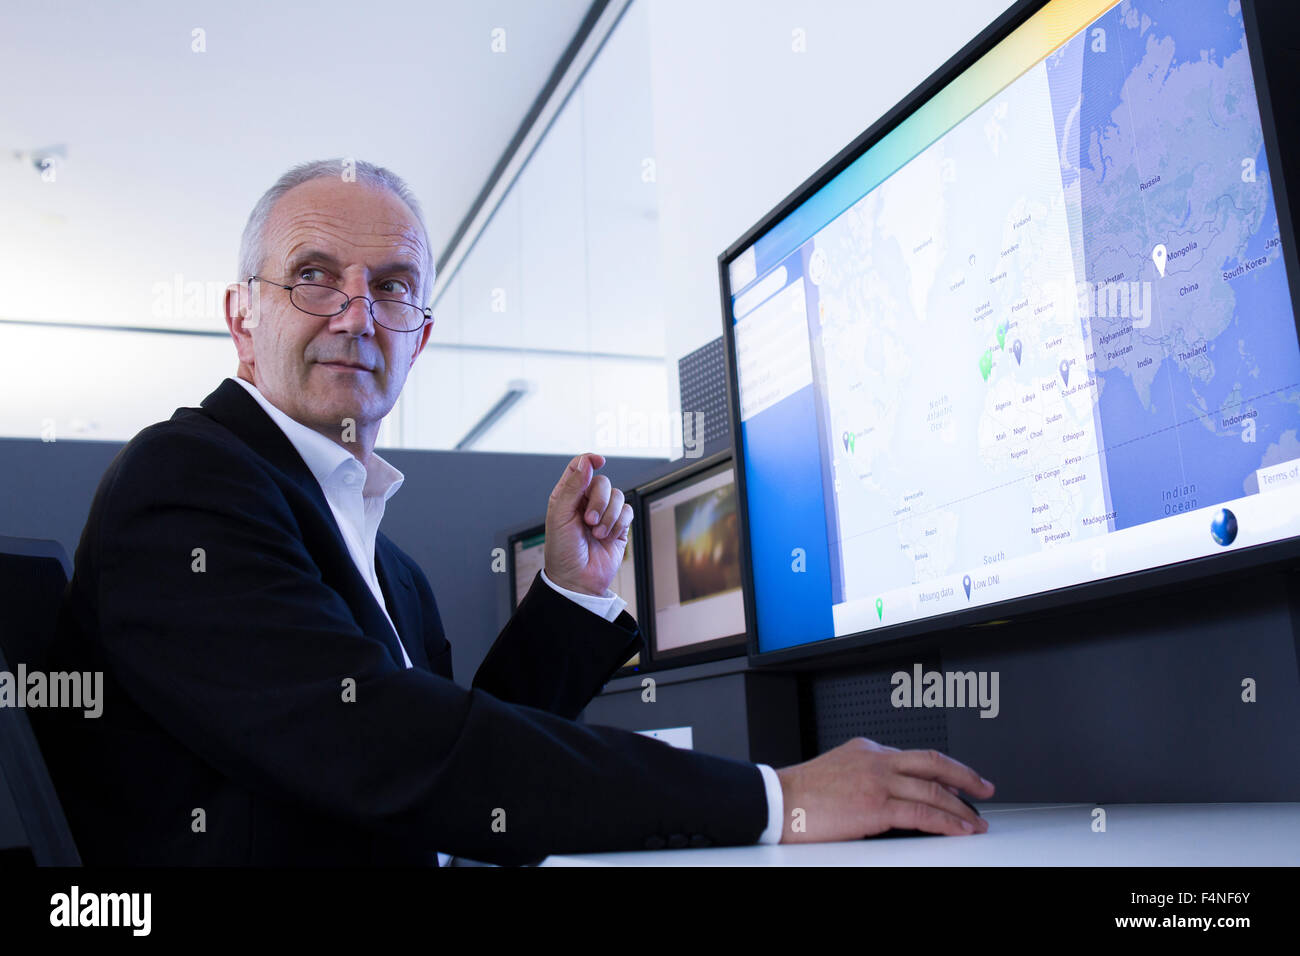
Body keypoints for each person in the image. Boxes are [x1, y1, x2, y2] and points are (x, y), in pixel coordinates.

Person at [39, 159, 993, 866]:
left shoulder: (389, 562)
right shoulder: (186, 485)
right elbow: (393, 752)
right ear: (243, 318)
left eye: (393, 288)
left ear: (420, 335)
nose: (357, 315)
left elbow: (465, 762)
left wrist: (572, 597)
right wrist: (772, 798)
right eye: (315, 275)